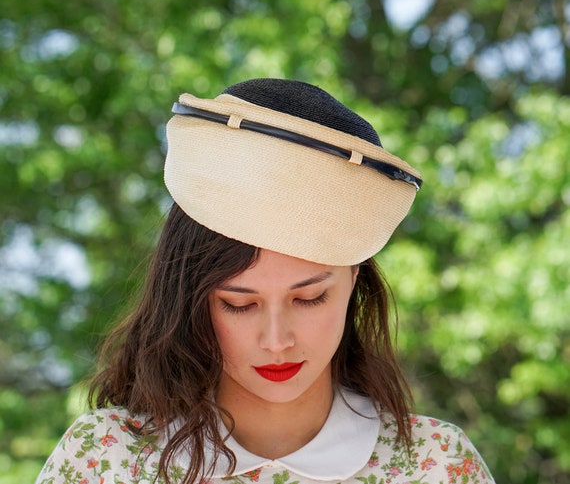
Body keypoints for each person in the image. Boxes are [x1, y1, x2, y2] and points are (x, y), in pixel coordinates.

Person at [36, 78, 495, 484]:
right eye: (239, 304)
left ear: (354, 280)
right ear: (190, 300)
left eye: (310, 298)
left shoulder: (436, 466)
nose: (277, 341)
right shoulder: (108, 461)